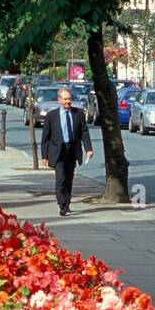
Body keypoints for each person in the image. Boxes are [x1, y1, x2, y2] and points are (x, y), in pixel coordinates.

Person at [41, 87, 93, 216]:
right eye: (65, 99)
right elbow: (45, 138)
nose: (68, 102)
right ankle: (62, 204)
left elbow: (84, 132)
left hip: (72, 151)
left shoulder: (78, 113)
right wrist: (44, 156)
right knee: (61, 179)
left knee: (69, 179)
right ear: (59, 100)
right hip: (58, 152)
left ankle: (67, 203)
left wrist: (88, 149)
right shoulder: (51, 116)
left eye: (69, 99)